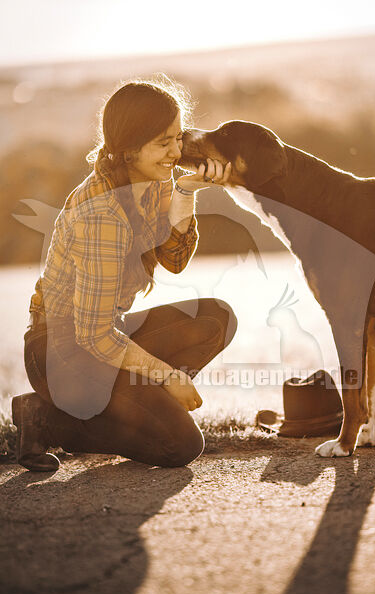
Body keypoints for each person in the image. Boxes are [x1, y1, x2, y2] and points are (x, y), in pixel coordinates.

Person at [11, 78, 238, 472]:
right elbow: (92, 334)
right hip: (59, 353)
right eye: (163, 142)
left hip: (101, 333)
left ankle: (129, 409)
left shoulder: (154, 181)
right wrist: (166, 376)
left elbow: (175, 261)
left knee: (216, 319)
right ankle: (47, 418)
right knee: (179, 447)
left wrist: (186, 193)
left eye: (177, 137)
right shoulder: (102, 213)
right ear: (130, 146)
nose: (176, 152)